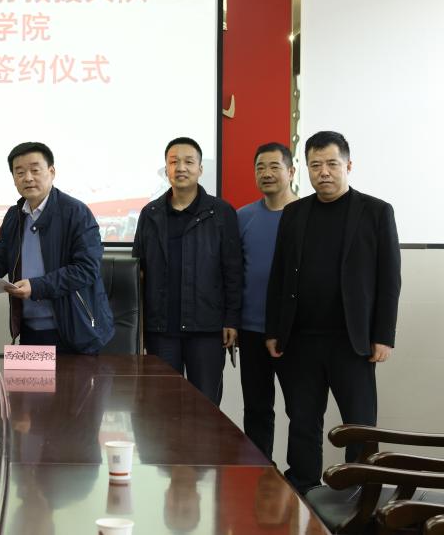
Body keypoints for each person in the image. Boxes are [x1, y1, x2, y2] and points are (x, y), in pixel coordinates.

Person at [266, 131, 400, 493]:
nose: (323, 172)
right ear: (306, 169)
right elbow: (279, 274)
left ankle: (359, 490)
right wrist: (273, 329)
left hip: (352, 341)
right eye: (315, 165)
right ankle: (303, 487)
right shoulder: (294, 213)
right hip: (301, 339)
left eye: (331, 164)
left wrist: (383, 335)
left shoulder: (376, 211)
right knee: (303, 420)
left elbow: (390, 279)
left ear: (348, 165)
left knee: (359, 424)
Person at [0, 142, 114, 353]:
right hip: (29, 330)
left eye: (35, 170)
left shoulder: (76, 212)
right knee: (23, 378)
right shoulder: (14, 216)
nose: (27, 178)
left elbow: (87, 269)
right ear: (13, 179)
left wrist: (37, 286)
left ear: (52, 172)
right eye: (19, 172)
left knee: (73, 378)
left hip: (75, 331)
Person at [132, 137, 241, 405]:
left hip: (206, 330)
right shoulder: (150, 213)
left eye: (189, 162)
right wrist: (138, 328)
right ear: (166, 169)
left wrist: (231, 319)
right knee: (161, 409)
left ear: (200, 169)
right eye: (174, 162)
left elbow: (233, 271)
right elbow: (138, 271)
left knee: (205, 408)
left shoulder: (221, 212)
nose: (181, 167)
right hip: (161, 330)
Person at [237, 142, 297, 460]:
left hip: (295, 331)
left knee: (300, 410)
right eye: (260, 167)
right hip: (251, 329)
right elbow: (234, 274)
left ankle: (301, 478)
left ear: (291, 171)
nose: (267, 173)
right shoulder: (243, 217)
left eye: (274, 166)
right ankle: (259, 472)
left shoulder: (306, 214)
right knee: (257, 408)